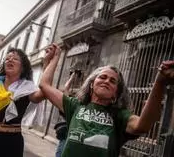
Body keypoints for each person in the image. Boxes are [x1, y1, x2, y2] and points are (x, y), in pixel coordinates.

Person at [39, 44, 174, 157]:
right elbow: (44, 85)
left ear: (116, 92)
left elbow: (142, 126)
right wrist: (55, 58)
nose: (106, 81)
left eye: (112, 81)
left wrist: (160, 82)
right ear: (92, 84)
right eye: (102, 77)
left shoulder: (120, 115)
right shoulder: (75, 105)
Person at [54, 71, 77, 157]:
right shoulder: (69, 108)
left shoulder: (67, 108)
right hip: (68, 136)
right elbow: (66, 89)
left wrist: (71, 77)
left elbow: (66, 89)